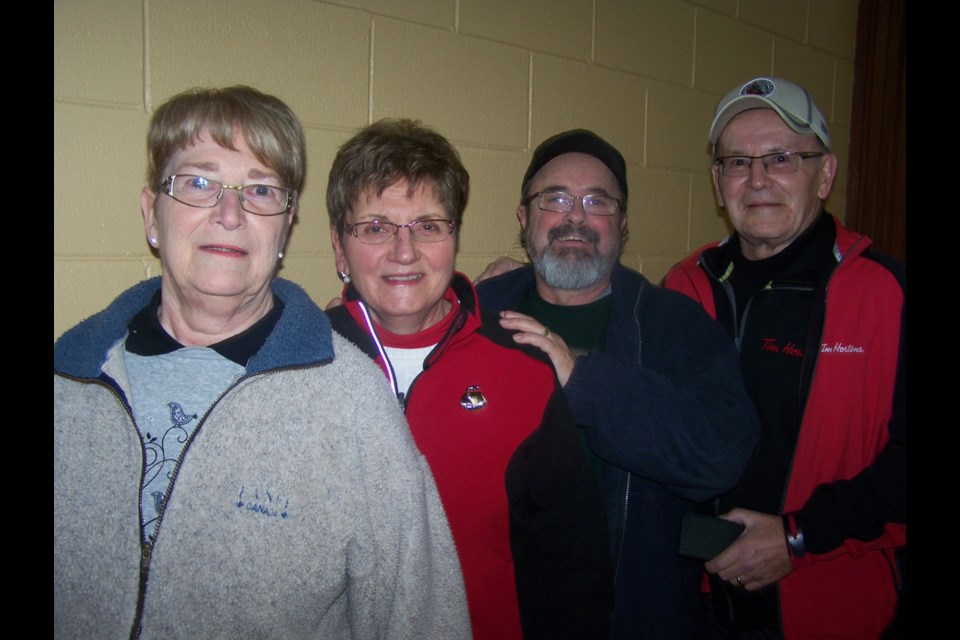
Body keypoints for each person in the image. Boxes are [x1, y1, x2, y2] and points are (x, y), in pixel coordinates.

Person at [53, 86, 470, 639]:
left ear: (285, 227)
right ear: (153, 213)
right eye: (198, 183)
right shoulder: (68, 386)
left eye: (260, 190)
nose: (230, 213)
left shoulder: (351, 402)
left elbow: (420, 618)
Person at [324, 118, 614, 640]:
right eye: (375, 227)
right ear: (340, 249)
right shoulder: (302, 370)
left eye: (429, 226)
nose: (404, 252)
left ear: (455, 237)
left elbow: (574, 569)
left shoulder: (522, 371)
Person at [474, 129, 760, 639]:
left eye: (597, 201)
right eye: (555, 198)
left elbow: (720, 455)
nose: (576, 217)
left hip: (626, 619)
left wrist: (582, 380)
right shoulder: (478, 313)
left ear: (622, 224)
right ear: (525, 218)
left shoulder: (675, 326)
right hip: (497, 613)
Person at [663, 77, 906, 639]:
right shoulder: (685, 287)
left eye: (781, 158)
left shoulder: (886, 294)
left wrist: (798, 536)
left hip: (834, 608)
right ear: (717, 185)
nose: (757, 180)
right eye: (737, 162)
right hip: (700, 609)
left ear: (825, 174)